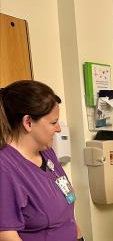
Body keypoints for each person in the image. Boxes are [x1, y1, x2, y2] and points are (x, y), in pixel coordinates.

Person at [0, 80, 83, 241]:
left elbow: (67, 214)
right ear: (28, 122)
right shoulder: (5, 168)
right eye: (53, 122)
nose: (59, 128)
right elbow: (6, 235)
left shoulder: (47, 153)